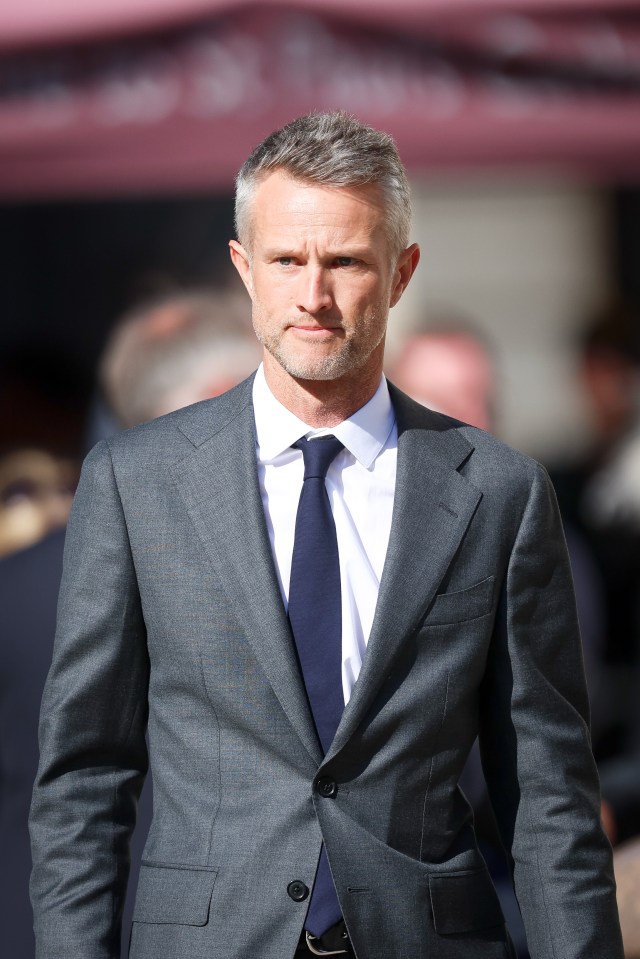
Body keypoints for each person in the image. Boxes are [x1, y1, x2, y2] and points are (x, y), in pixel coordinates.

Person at [29, 112, 622, 959]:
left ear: (401, 272)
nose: (313, 294)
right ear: (244, 268)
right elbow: (85, 777)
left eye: (344, 260)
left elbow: (550, 794)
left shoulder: (497, 491)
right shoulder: (138, 482)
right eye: (286, 260)